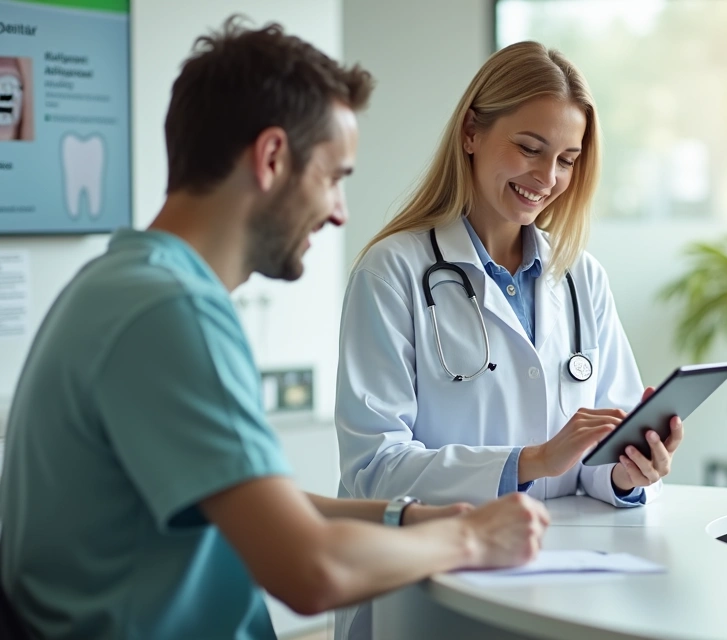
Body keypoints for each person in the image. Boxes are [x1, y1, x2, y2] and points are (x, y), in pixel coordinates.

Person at [0, 18, 548, 640]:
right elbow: (309, 571)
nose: (340, 212)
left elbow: (259, 503)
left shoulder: (125, 284)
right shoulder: (170, 313)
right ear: (271, 158)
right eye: (335, 177)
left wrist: (406, 518)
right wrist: (470, 538)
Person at [334, 41, 681, 639]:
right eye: (529, 148)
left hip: (559, 586)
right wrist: (529, 461)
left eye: (568, 159)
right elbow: (374, 470)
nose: (547, 179)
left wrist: (627, 468)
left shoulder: (580, 277)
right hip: (428, 590)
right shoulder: (392, 271)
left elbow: (597, 451)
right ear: (471, 131)